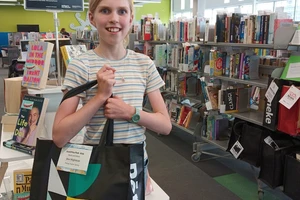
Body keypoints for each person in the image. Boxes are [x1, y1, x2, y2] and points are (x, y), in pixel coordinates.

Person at [52, 0, 172, 195]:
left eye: (122, 11)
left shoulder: (144, 64)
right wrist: (100, 97)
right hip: (96, 165)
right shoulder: (80, 65)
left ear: (131, 19)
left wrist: (130, 112)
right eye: (105, 10)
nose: (114, 19)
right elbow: (59, 136)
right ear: (92, 18)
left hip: (135, 166)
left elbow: (165, 125)